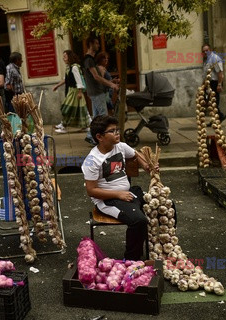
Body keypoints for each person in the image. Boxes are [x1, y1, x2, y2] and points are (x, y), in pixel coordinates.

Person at [82, 115, 151, 260]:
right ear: (100, 137)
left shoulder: (120, 146)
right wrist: (118, 194)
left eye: (117, 129)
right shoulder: (92, 160)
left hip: (127, 194)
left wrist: (146, 165)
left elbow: (136, 155)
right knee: (139, 221)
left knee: (164, 205)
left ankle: (160, 247)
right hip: (108, 201)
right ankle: (131, 260)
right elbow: (91, 190)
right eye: (112, 131)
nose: (117, 133)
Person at [83, 36, 119, 145]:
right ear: (90, 44)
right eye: (96, 43)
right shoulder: (88, 59)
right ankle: (102, 138)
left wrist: (111, 82)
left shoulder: (90, 59)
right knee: (104, 116)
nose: (98, 45)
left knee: (97, 117)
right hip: (96, 92)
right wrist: (111, 84)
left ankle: (91, 136)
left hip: (96, 92)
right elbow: (96, 77)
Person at [52, 50, 90, 133]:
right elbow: (66, 79)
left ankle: (64, 126)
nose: (63, 58)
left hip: (75, 92)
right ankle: (85, 126)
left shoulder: (75, 67)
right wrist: (57, 86)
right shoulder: (69, 67)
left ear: (70, 57)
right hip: (71, 91)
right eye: (63, 57)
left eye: (65, 56)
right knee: (80, 109)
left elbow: (78, 80)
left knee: (67, 108)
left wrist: (80, 92)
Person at [202, 44, 226, 123]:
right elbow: (206, 73)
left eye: (207, 50)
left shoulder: (215, 58)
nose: (205, 52)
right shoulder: (206, 59)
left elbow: (220, 72)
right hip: (209, 84)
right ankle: (216, 118)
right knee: (210, 102)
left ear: (210, 50)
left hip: (215, 83)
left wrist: (219, 84)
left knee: (214, 102)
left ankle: (219, 117)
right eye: (203, 51)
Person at [95, 52, 119, 116]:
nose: (106, 60)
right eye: (104, 58)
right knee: (109, 110)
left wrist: (112, 81)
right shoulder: (101, 68)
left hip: (107, 93)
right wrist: (111, 83)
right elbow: (101, 81)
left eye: (107, 58)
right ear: (99, 59)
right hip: (105, 94)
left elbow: (105, 80)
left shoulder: (103, 67)